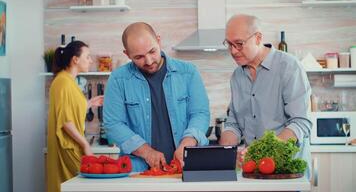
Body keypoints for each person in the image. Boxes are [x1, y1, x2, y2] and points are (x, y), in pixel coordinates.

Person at [103, 22, 210, 172]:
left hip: (186, 167)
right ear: (127, 54)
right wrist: (146, 152)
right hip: (138, 170)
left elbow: (200, 113)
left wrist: (188, 142)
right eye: (139, 57)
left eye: (152, 51)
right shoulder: (118, 79)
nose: (149, 61)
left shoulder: (188, 72)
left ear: (158, 41)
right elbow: (113, 124)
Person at [219, 14, 312, 178]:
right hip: (253, 172)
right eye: (229, 44)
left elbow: (300, 122)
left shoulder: (289, 67)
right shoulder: (237, 76)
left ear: (258, 38)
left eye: (239, 44)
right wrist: (225, 152)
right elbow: (234, 123)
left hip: (287, 173)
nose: (233, 51)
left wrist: (260, 151)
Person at [47, 41, 104, 192]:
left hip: (72, 146)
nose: (91, 60)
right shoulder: (63, 82)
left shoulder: (68, 81)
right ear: (75, 60)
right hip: (68, 147)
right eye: (88, 56)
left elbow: (68, 109)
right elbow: (65, 122)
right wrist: (85, 144)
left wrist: (90, 103)